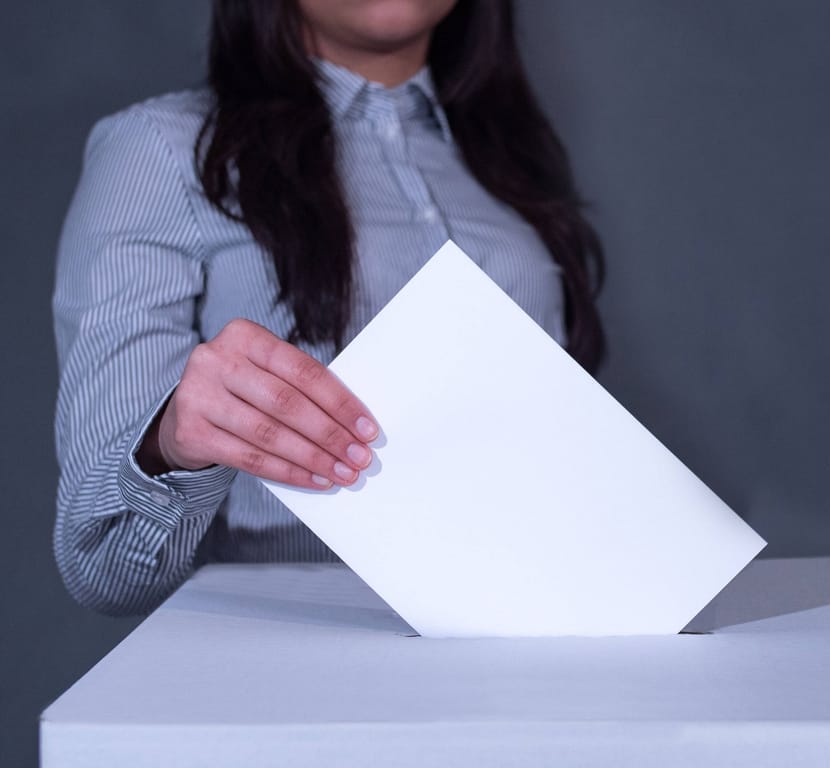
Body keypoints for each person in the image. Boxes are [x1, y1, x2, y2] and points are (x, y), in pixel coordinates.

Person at [51, 0, 604, 615]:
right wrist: (170, 447)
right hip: (296, 674)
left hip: (530, 656)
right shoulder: (159, 151)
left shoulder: (508, 163)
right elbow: (100, 567)